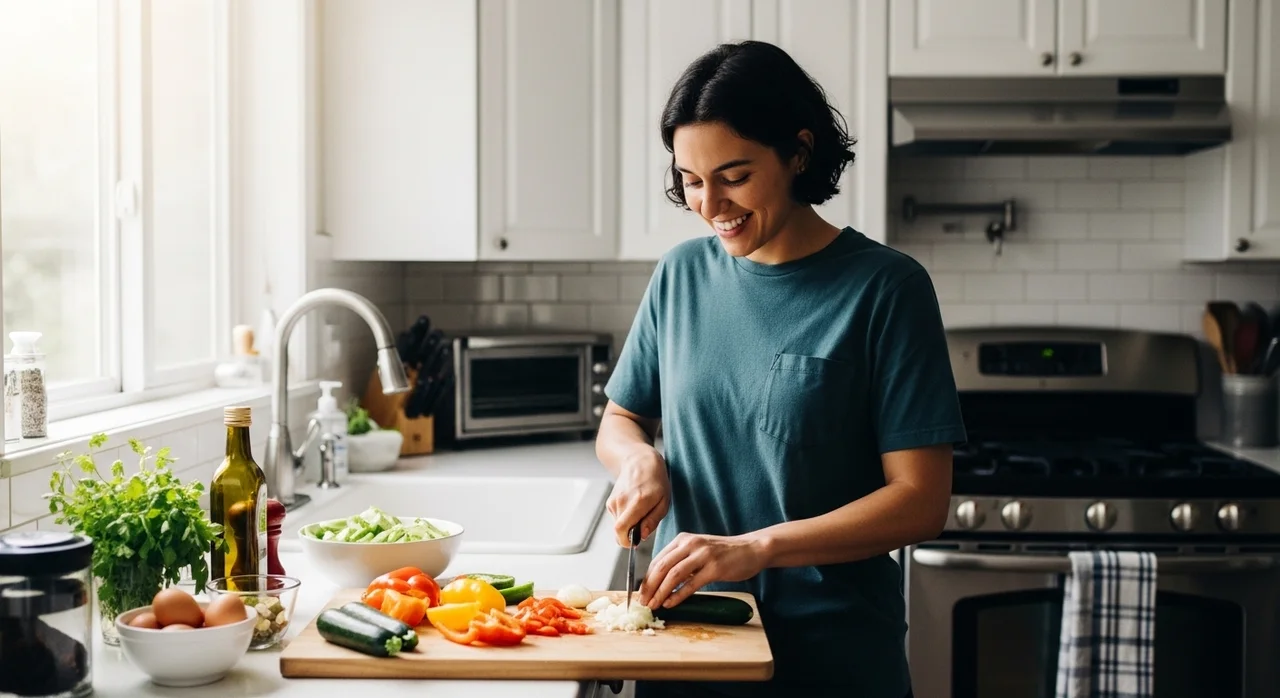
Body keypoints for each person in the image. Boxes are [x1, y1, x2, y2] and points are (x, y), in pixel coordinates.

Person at [595, 40, 966, 698]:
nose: (710, 205)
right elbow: (622, 417)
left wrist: (758, 548)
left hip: (833, 659)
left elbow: (921, 501)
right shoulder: (680, 276)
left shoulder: (887, 289)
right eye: (690, 179)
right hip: (686, 645)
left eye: (734, 176)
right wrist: (637, 461)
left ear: (798, 153)